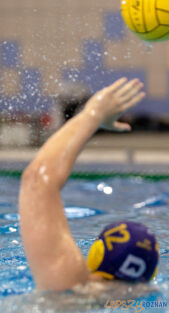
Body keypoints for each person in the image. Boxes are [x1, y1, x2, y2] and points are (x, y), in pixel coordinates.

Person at [19, 78, 159, 291]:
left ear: (96, 255)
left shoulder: (70, 286)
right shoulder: (149, 305)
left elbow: (37, 180)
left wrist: (92, 115)